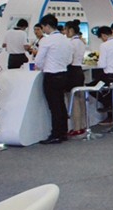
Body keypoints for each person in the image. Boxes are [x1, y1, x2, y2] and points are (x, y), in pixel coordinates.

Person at [34, 14, 73, 144]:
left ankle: (56, 134)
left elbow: (38, 61)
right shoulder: (65, 40)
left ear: (47, 26)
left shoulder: (47, 40)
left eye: (43, 27)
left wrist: (42, 66)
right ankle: (63, 132)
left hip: (51, 75)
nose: (43, 30)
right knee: (61, 104)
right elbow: (69, 60)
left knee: (54, 106)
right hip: (64, 74)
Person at [65, 21, 87, 136]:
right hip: (79, 70)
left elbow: (69, 59)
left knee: (73, 100)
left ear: (71, 30)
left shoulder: (71, 43)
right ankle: (82, 125)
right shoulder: (81, 42)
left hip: (71, 71)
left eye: (66, 29)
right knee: (80, 98)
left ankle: (76, 127)